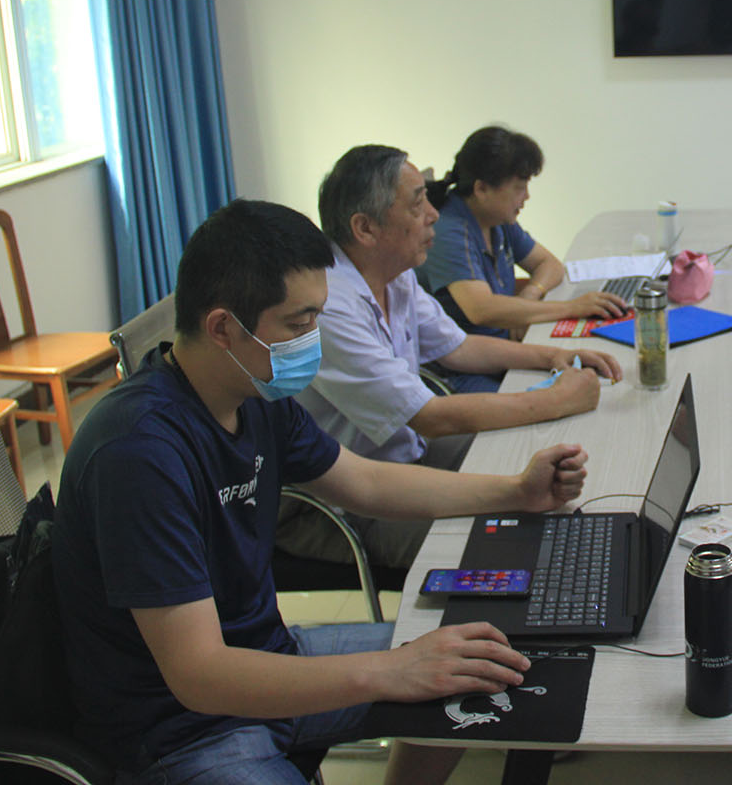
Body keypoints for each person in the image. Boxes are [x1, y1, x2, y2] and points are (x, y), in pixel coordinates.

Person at [52, 199, 590, 785]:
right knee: (429, 667)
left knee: (474, 666)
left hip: (270, 656)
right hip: (180, 729)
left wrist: (517, 491)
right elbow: (199, 674)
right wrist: (391, 671)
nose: (314, 338)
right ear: (222, 328)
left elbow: (365, 480)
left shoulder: (253, 394)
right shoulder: (138, 452)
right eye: (298, 323)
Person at [289, 145, 622, 569]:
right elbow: (429, 417)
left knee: (548, 468)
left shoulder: (394, 274)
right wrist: (557, 399)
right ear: (365, 228)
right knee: (519, 543)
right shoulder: (328, 305)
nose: (434, 214)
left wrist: (555, 355)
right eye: (417, 205)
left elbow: (460, 347)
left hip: (408, 455)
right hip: (352, 503)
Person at [419, 126, 628, 338]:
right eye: (519, 187)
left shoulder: (497, 219)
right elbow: (481, 310)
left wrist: (531, 292)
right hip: (473, 354)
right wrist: (572, 307)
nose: (527, 196)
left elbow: (549, 264)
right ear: (481, 189)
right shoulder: (448, 231)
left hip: (502, 340)